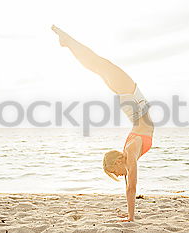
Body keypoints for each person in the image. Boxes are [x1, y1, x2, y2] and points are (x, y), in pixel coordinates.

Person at [52, 25, 154, 222]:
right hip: (133, 104)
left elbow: (131, 187)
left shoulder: (131, 152)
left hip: (134, 102)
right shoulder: (130, 154)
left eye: (114, 172)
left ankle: (68, 40)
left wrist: (131, 218)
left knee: (98, 64)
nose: (118, 175)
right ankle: (68, 42)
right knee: (98, 66)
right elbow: (129, 186)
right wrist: (129, 214)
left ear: (117, 162)